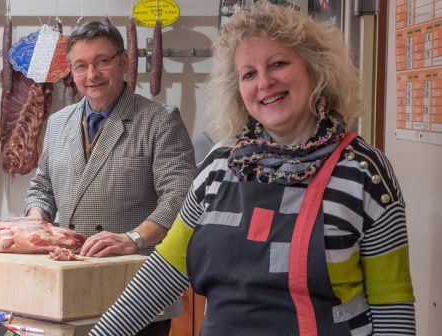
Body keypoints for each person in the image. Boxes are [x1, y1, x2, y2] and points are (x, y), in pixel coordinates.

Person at [90, 2, 416, 335]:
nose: (265, 82)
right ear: (238, 90)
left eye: (278, 63)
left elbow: (393, 307)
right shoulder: (218, 169)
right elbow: (163, 274)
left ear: (314, 70)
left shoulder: (363, 173)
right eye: (249, 73)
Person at [24, 21, 196, 335]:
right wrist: (37, 219)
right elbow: (41, 186)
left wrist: (133, 239)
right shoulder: (58, 122)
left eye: (102, 61)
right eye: (81, 66)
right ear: (71, 71)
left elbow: (181, 196)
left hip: (138, 292)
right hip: (69, 288)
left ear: (124, 61)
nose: (92, 75)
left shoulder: (160, 120)